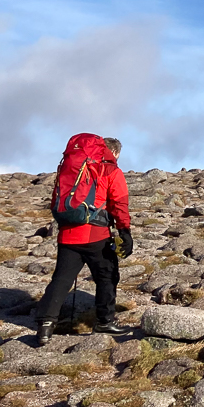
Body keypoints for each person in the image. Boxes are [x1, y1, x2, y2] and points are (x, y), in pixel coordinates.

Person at [34, 134, 132, 346]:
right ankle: (104, 321)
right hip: (96, 235)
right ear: (114, 152)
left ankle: (45, 326)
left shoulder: (70, 169)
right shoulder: (110, 170)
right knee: (107, 276)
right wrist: (125, 231)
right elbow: (119, 204)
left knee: (61, 279)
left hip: (67, 234)